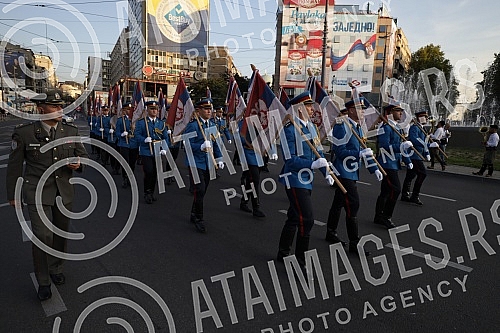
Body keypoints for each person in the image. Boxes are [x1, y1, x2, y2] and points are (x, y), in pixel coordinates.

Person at [6, 89, 88, 301]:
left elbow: (82, 155)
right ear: (41, 109)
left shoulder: (69, 130)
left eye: (62, 106)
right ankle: (43, 281)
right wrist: (13, 194)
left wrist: (78, 164)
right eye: (55, 106)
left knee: (61, 234)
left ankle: (56, 267)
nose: (61, 110)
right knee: (43, 236)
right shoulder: (24, 133)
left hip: (63, 192)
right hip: (37, 191)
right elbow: (14, 166)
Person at [276, 91, 330, 270]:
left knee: (293, 216)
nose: (312, 109)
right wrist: (313, 164)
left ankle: (282, 252)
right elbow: (290, 161)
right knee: (306, 219)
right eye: (308, 106)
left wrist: (326, 171)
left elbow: (319, 152)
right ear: (299, 109)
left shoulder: (312, 128)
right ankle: (301, 261)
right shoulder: (289, 129)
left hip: (308, 179)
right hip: (294, 179)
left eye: (311, 105)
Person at [326, 97, 382, 255]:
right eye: (360, 109)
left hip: (351, 171)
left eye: (363, 109)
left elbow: (364, 150)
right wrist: (359, 154)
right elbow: (340, 151)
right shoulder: (341, 126)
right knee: (353, 204)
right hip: (343, 172)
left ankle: (330, 231)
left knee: (339, 202)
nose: (363, 112)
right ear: (351, 110)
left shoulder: (357, 127)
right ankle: (354, 242)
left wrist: (374, 169)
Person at [185, 98, 224, 233]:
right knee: (199, 189)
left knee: (203, 191)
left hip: (208, 162)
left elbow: (216, 143)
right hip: (195, 162)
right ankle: (199, 219)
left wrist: (219, 158)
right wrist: (200, 146)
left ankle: (193, 212)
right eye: (206, 109)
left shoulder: (212, 125)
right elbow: (186, 144)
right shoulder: (193, 125)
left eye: (210, 109)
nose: (209, 111)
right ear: (199, 111)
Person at [373, 102, 413, 229]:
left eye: (401, 111)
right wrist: (400, 147)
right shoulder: (386, 128)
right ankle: (386, 216)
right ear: (390, 113)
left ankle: (378, 216)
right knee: (396, 189)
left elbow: (402, 147)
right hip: (386, 163)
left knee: (385, 191)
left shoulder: (397, 128)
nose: (401, 113)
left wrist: (408, 161)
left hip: (393, 163)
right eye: (398, 111)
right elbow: (384, 147)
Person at [135, 101, 171, 204]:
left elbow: (165, 138)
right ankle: (147, 192)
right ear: (147, 110)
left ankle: (152, 192)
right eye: (151, 109)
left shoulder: (161, 123)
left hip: (157, 151)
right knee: (149, 171)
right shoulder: (142, 123)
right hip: (146, 151)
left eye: (155, 109)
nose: (154, 111)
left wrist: (165, 148)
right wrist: (144, 140)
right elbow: (137, 136)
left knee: (155, 173)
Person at [237, 116, 266, 218]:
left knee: (251, 181)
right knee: (255, 180)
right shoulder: (244, 122)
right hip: (248, 153)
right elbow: (240, 136)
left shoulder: (261, 121)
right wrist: (251, 143)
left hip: (258, 155)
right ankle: (256, 207)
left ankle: (244, 202)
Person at [401, 110, 432, 205]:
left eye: (427, 117)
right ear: (419, 118)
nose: (426, 119)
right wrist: (427, 145)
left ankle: (405, 194)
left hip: (419, 154)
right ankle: (415, 195)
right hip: (414, 155)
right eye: (425, 117)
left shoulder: (422, 128)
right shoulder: (415, 128)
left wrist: (427, 152)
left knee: (411, 175)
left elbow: (424, 141)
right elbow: (415, 139)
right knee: (422, 174)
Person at [115, 103, 139, 188]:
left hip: (134, 144)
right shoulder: (120, 120)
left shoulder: (136, 120)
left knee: (132, 163)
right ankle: (125, 177)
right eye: (127, 109)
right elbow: (117, 132)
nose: (129, 111)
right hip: (124, 143)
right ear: (124, 111)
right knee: (126, 162)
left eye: (130, 109)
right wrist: (121, 134)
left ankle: (130, 177)